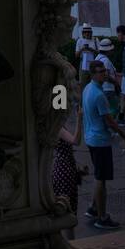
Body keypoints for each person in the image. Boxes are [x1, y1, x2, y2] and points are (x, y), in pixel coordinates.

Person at [82, 59, 125, 229]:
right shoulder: (99, 95)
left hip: (91, 138)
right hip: (100, 140)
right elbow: (110, 121)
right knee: (101, 179)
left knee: (99, 176)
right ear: (93, 74)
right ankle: (102, 217)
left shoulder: (88, 88)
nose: (104, 74)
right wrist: (124, 136)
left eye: (104, 71)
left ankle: (94, 208)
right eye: (101, 71)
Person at [51, 101, 85, 237]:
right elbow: (76, 141)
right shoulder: (58, 128)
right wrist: (79, 119)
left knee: (69, 212)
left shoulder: (59, 125)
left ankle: (71, 243)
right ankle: (69, 243)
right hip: (63, 170)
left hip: (67, 167)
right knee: (67, 213)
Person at [94, 38, 119, 117]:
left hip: (101, 88)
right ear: (108, 50)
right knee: (113, 110)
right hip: (108, 89)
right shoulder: (106, 61)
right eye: (111, 49)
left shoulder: (97, 58)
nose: (112, 51)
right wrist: (116, 83)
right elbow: (106, 75)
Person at [76, 24, 98, 88]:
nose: (87, 33)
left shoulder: (95, 40)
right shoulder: (80, 41)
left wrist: (91, 50)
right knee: (83, 84)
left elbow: (99, 53)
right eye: (85, 32)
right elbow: (76, 55)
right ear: (83, 33)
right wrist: (82, 49)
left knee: (94, 83)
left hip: (93, 64)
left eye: (88, 32)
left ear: (91, 32)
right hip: (83, 64)